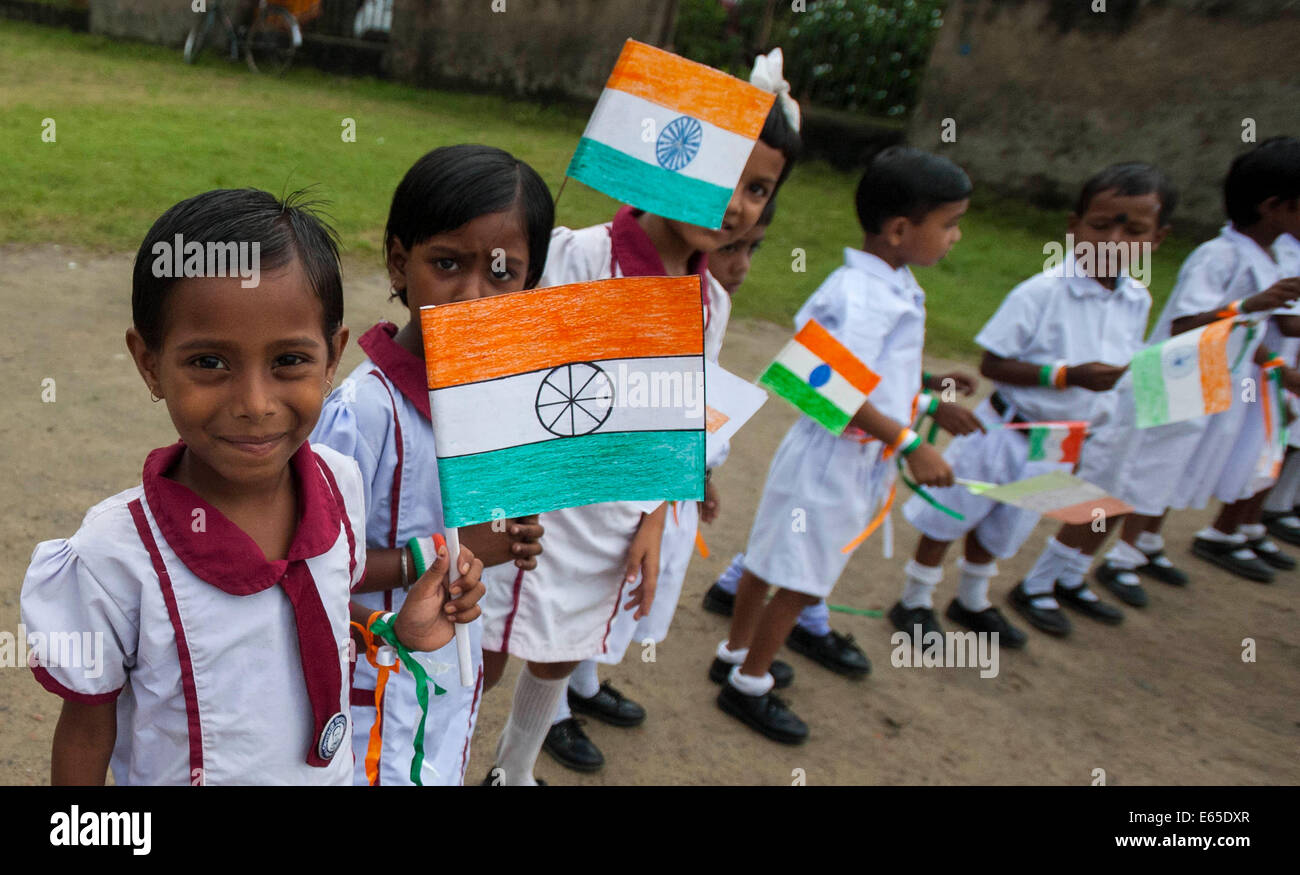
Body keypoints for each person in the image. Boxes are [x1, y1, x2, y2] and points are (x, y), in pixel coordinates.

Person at [20, 188, 484, 785]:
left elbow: (303, 614)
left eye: (290, 360)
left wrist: (394, 629)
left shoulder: (337, 482)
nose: (255, 404)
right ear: (148, 363)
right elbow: (86, 731)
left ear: (333, 357)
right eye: (210, 363)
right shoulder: (112, 557)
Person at [483, 60, 801, 782]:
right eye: (725, 175)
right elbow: (507, 374)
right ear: (670, 157)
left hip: (616, 516)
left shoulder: (709, 304)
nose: (739, 205)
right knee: (489, 649)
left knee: (564, 645)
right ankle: (440, 755)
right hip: (535, 502)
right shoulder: (575, 256)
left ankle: (513, 768)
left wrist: (657, 514)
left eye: (758, 188)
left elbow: (680, 416)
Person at [713, 146, 971, 744]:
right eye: (950, 224)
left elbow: (878, 376)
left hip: (843, 455)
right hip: (834, 461)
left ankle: (734, 652)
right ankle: (749, 683)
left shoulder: (891, 284)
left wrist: (931, 399)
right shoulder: (861, 296)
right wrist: (912, 443)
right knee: (802, 577)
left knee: (773, 558)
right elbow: (821, 383)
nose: (956, 237)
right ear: (901, 229)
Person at [311, 145, 549, 785]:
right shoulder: (363, 412)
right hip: (368, 680)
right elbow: (311, 566)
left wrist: (511, 539)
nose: (472, 295)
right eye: (447, 263)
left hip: (448, 676)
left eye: (502, 273)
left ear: (530, 283)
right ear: (398, 261)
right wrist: (446, 551)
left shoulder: (504, 402)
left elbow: (485, 538)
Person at [1014, 138, 1300, 630]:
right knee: (1106, 491)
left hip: (1203, 387)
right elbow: (1186, 324)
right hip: (1166, 386)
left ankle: (1074, 575)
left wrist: (1274, 365)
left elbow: (1244, 334)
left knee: (1136, 491)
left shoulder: (1268, 257)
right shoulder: (1219, 255)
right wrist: (1249, 305)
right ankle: (1038, 584)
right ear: (1273, 206)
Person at [895, 163, 1176, 644]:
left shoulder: (1136, 299)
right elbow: (994, 364)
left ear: (1156, 239)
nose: (1114, 239)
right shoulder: (1042, 292)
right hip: (1004, 429)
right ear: (1074, 226)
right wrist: (1066, 375)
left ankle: (972, 598)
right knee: (955, 511)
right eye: (1101, 225)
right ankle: (915, 599)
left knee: (1008, 521)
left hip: (1059, 440)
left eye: (1134, 230)